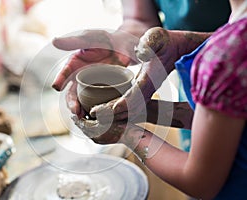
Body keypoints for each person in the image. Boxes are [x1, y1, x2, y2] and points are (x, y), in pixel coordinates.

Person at [54, 0, 247, 199]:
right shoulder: (231, 46)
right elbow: (231, 115)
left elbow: (201, 181)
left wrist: (126, 133)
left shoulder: (225, 59)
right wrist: (188, 43)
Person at [52, 0, 230, 152]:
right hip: (194, 91)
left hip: (234, 87)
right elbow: (139, 19)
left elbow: (199, 181)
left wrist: (185, 45)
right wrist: (121, 43)